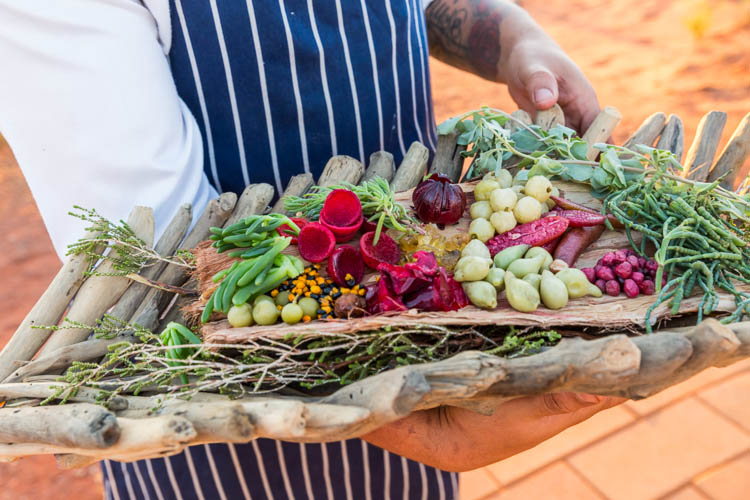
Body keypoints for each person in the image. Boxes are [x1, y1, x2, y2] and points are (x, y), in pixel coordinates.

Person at [0, 0, 620, 498]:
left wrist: (511, 34)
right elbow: (164, 266)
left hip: (413, 329)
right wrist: (416, 426)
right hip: (232, 427)